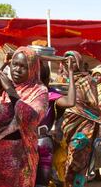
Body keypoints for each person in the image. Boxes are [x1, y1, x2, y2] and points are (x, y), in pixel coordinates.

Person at [0, 47, 48, 187]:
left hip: (17, 158)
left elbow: (30, 118)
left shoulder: (38, 91)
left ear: (33, 68)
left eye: (23, 66)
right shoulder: (1, 86)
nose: (17, 69)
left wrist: (10, 90)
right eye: (14, 64)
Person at [56, 51, 101, 187]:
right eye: (66, 61)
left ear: (80, 63)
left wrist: (77, 104)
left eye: (73, 61)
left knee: (78, 162)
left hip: (84, 127)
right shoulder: (59, 81)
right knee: (65, 162)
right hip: (64, 128)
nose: (69, 64)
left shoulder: (87, 80)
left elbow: (93, 104)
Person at [36, 58, 76, 187]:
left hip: (42, 142)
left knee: (41, 182)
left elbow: (70, 102)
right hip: (23, 142)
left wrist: (70, 73)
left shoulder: (49, 94)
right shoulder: (21, 92)